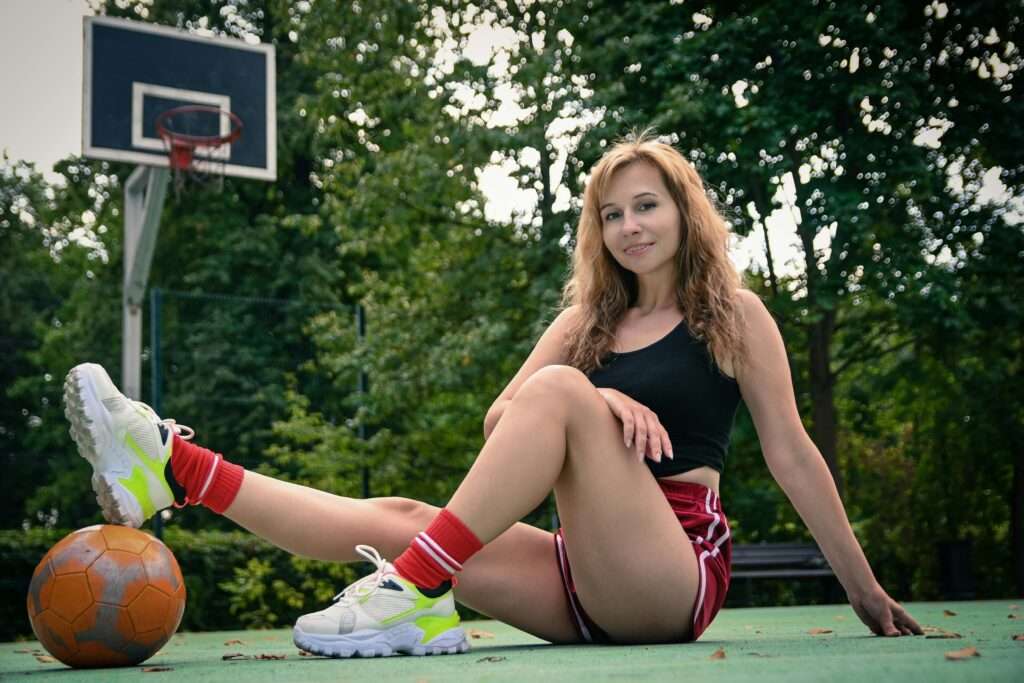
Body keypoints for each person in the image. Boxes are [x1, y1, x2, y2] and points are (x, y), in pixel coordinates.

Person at [62, 132, 922, 659]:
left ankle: (414, 589)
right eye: (612, 214)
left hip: (674, 572)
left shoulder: (735, 316)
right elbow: (506, 418)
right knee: (402, 513)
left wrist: (863, 587)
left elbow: (790, 451)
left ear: (684, 212)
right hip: (580, 571)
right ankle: (177, 467)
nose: (630, 226)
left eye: (646, 205)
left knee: (545, 409)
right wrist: (601, 404)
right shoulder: (587, 320)